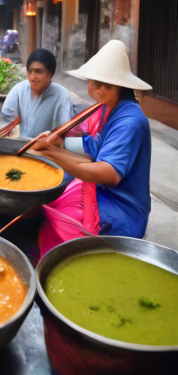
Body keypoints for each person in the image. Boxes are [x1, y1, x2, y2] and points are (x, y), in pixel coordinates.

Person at [30, 40, 153, 256]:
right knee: (53, 196)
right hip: (103, 194)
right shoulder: (110, 108)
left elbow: (108, 172)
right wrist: (54, 144)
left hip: (122, 207)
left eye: (107, 84)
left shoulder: (130, 121)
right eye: (94, 82)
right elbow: (96, 145)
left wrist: (54, 156)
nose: (98, 89)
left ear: (122, 86)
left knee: (56, 222)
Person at [1, 49, 73, 138]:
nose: (33, 77)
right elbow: (8, 118)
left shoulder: (61, 94)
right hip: (23, 144)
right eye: (30, 71)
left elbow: (64, 128)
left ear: (51, 74)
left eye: (39, 71)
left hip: (49, 145)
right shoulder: (19, 90)